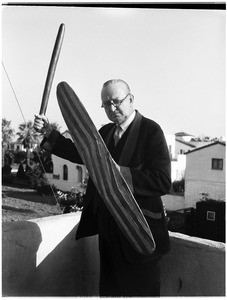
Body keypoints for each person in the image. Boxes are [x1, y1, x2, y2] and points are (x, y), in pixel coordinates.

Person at [34, 79, 171, 296]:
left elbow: (162, 180)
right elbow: (79, 152)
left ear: (131, 99)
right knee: (110, 292)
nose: (112, 108)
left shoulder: (151, 130)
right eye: (106, 104)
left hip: (140, 232)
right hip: (108, 233)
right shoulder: (105, 132)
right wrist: (49, 132)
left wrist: (119, 173)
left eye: (117, 101)